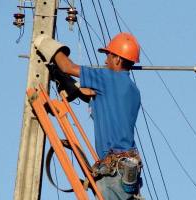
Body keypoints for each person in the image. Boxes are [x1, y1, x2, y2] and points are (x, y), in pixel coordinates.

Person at [34, 32, 143, 199]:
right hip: (127, 174)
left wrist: (46, 44)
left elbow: (68, 67)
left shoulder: (108, 78)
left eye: (108, 56)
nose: (105, 61)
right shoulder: (133, 91)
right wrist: (69, 84)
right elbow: (93, 95)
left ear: (118, 59)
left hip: (113, 172)